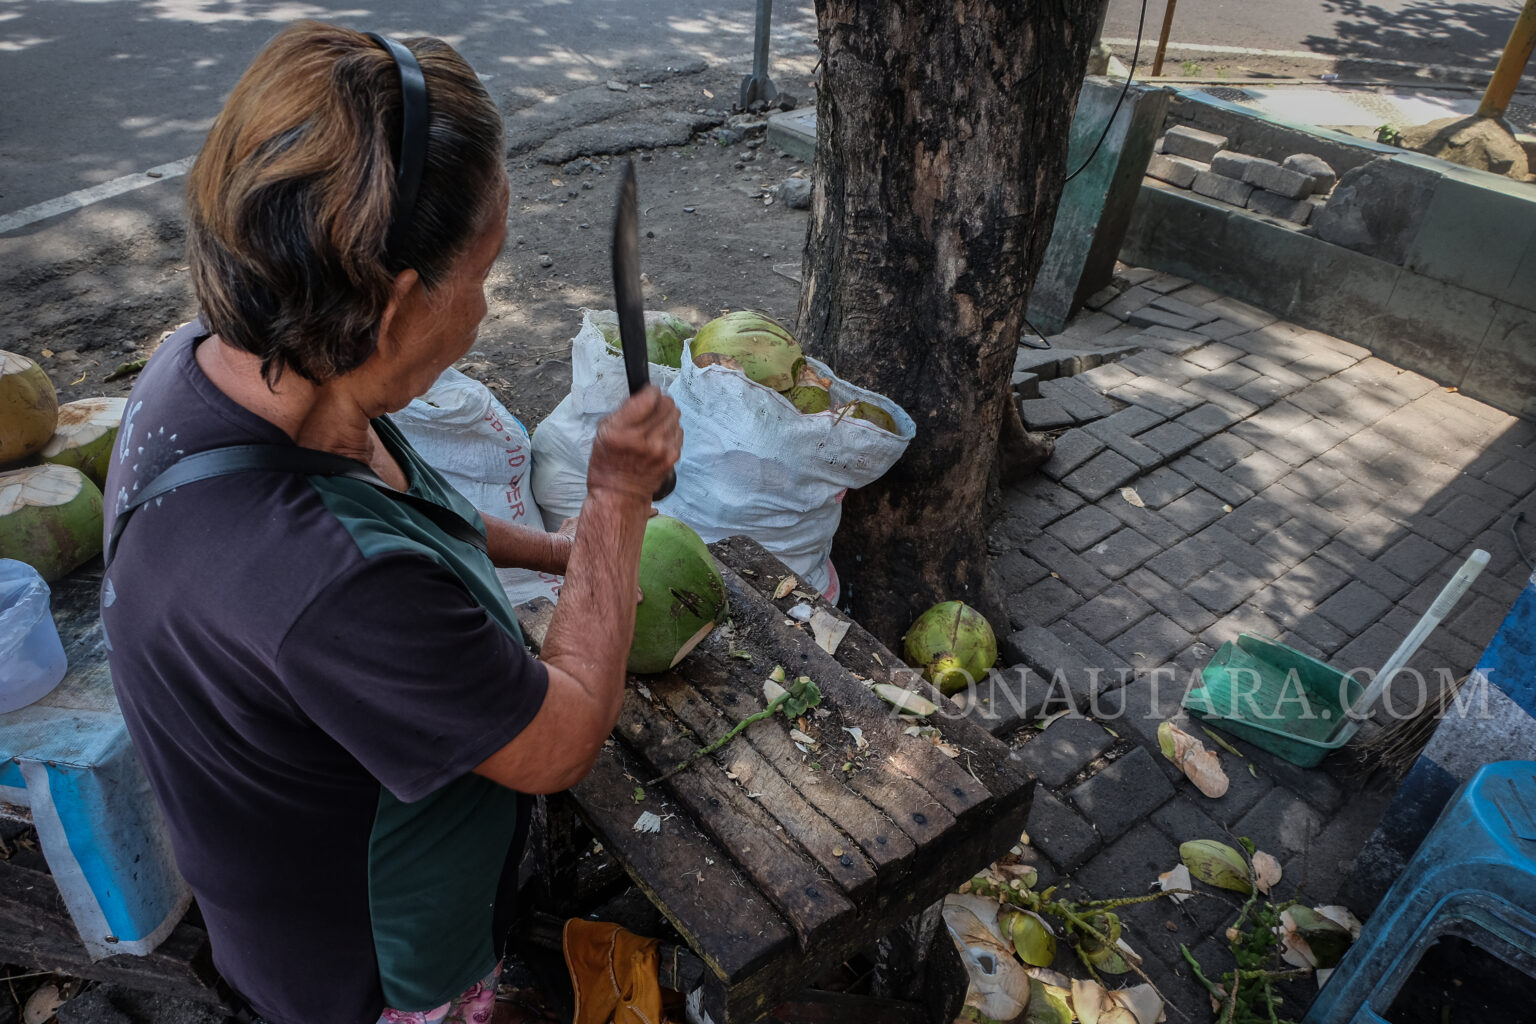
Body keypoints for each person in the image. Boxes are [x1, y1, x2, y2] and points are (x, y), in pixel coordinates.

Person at [99, 22, 681, 1024]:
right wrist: (619, 500)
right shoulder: (323, 580)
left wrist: (564, 552)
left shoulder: (222, 364)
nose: (489, 306)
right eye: (485, 272)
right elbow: (559, 743)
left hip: (284, 871)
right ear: (398, 305)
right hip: (369, 973)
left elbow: (409, 517)